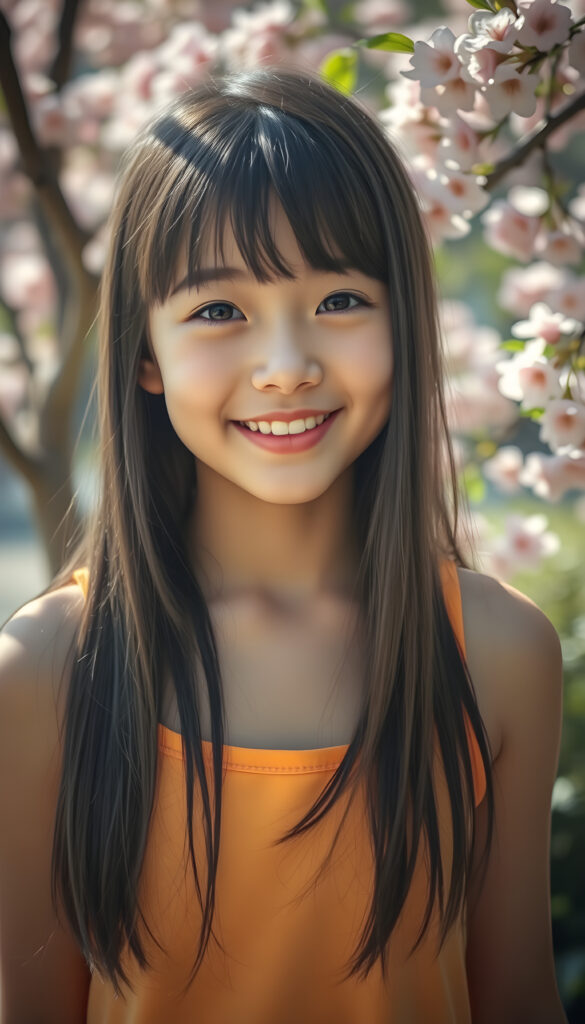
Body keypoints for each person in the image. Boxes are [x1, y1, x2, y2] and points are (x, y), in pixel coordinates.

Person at [0, 67, 567, 1024]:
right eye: (218, 312)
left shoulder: (500, 655)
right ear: (145, 353)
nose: (285, 368)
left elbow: (515, 995)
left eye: (340, 299)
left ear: (405, 321)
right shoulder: (48, 669)